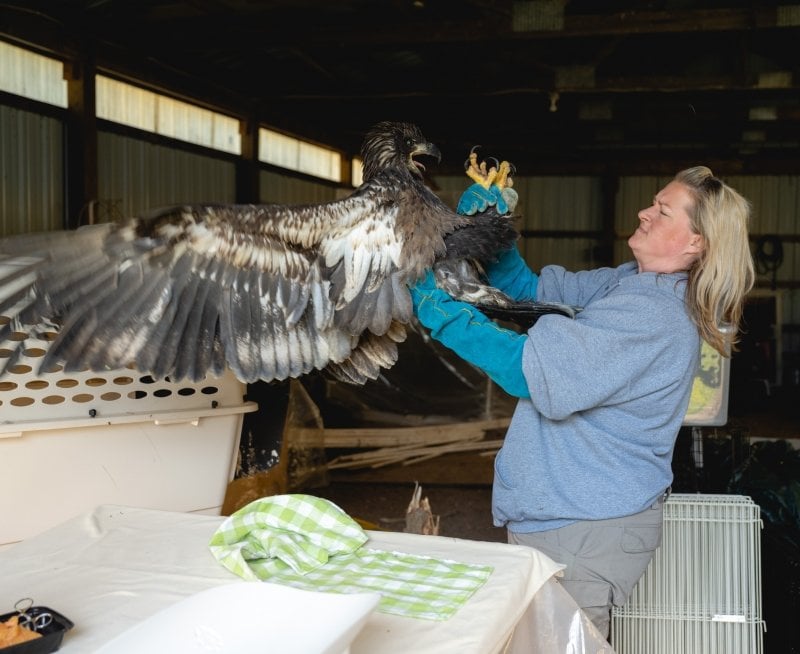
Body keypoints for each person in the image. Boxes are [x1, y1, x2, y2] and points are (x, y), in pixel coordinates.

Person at [409, 166, 755, 639]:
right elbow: (532, 294)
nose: (644, 212)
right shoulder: (630, 283)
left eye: (662, 209)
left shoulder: (651, 314)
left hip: (583, 529)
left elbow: (525, 369)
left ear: (695, 242)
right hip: (569, 516)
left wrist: (440, 312)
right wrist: (496, 233)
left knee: (556, 646)